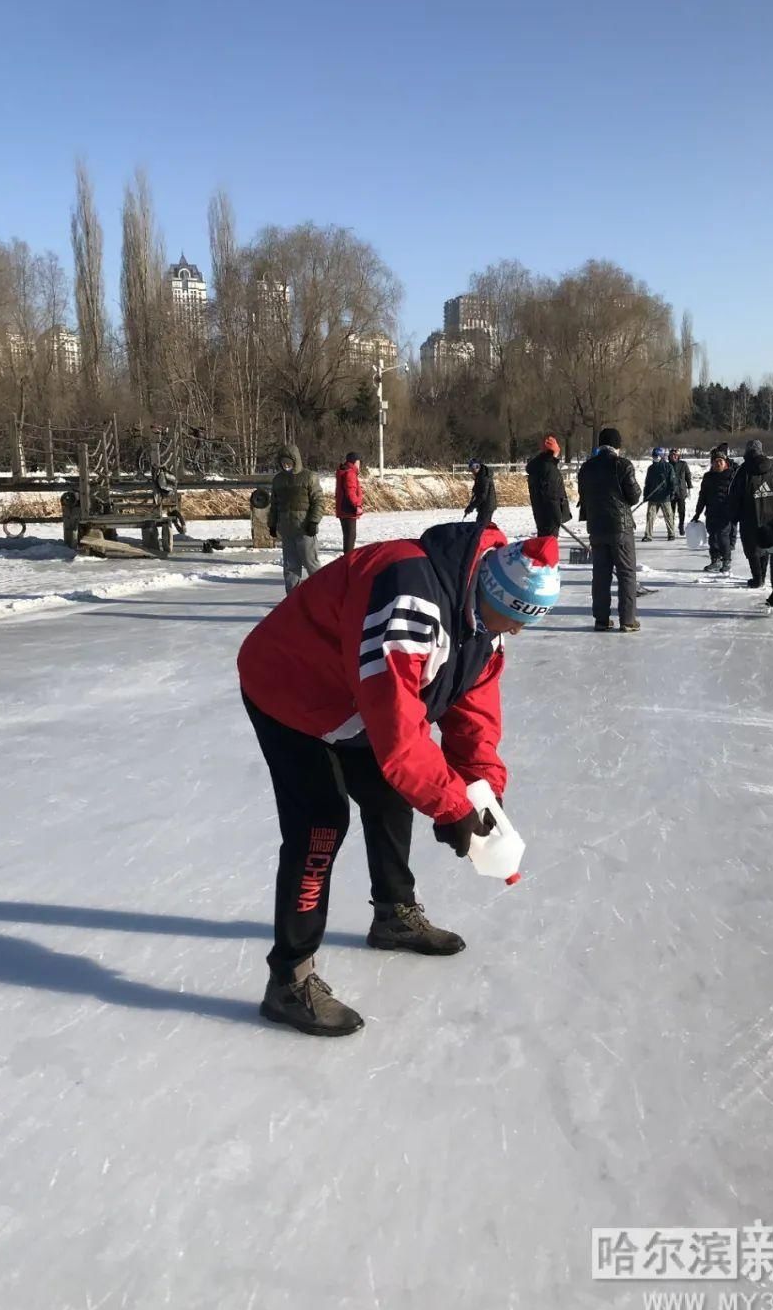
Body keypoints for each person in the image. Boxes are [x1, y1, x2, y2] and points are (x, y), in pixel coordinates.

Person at [238, 525, 561, 1036]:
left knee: (389, 795)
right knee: (321, 822)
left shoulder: (485, 619)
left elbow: (472, 715)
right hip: (292, 688)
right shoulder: (408, 601)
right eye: (515, 617)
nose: (517, 631)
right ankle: (289, 980)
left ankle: (393, 914)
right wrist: (451, 807)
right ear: (491, 592)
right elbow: (398, 731)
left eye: (527, 621)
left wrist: (481, 789)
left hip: (356, 693)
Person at [577, 426, 642, 632]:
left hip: (596, 527)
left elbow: (584, 497)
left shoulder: (586, 468)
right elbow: (633, 495)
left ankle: (602, 619)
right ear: (617, 446)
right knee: (626, 573)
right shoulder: (622, 465)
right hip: (620, 528)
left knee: (601, 574)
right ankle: (628, 619)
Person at [727, 439, 773, 588]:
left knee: (752, 547)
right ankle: (766, 576)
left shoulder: (742, 471)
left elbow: (733, 494)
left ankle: (757, 578)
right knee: (769, 545)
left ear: (747, 451)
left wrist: (733, 515)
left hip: (750, 516)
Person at [269, 443, 324, 592]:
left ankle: (323, 595)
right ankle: (292, 599)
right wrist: (272, 524)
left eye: (289, 462)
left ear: (295, 461)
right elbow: (274, 504)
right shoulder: (278, 480)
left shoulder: (309, 477)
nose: (286, 465)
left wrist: (313, 521)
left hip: (304, 529)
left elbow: (318, 501)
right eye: (283, 463)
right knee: (290, 567)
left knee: (311, 563)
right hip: (287, 530)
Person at [692, 448, 735, 574]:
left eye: (721, 461)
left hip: (726, 513)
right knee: (712, 538)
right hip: (711, 512)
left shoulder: (732, 475)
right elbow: (702, 496)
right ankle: (715, 560)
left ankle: (726, 560)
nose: (718, 463)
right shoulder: (708, 477)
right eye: (716, 461)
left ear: (725, 462)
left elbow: (739, 495)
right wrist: (697, 512)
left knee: (722, 537)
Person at [526, 435, 572, 538]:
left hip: (541, 514)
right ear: (553, 451)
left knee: (544, 544)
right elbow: (551, 497)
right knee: (549, 546)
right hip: (550, 518)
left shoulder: (539, 467)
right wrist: (558, 518)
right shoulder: (549, 469)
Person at [642, 446, 678, 541]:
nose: (655, 458)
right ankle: (648, 535)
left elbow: (673, 481)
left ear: (661, 456)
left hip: (664, 496)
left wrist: (672, 492)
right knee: (650, 516)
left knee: (669, 516)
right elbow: (647, 483)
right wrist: (645, 495)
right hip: (653, 497)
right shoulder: (651, 468)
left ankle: (671, 534)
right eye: (654, 456)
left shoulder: (668, 467)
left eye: (657, 456)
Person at [335, 451, 364, 554]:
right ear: (355, 462)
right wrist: (357, 505)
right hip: (348, 509)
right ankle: (348, 562)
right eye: (358, 462)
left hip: (344, 508)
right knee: (350, 537)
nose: (359, 465)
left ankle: (347, 560)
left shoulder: (345, 470)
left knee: (348, 536)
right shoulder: (350, 473)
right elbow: (350, 491)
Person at [668, 448, 694, 537]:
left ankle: (681, 525)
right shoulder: (667, 465)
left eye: (676, 455)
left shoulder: (683, 464)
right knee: (671, 511)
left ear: (678, 456)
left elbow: (688, 476)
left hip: (681, 491)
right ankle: (671, 528)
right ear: (670, 456)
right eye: (672, 455)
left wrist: (690, 487)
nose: (674, 457)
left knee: (681, 510)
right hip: (671, 492)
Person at [464, 459, 497, 527]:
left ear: (477, 467)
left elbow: (482, 496)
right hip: (483, 506)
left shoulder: (483, 477)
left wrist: (471, 506)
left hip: (487, 506)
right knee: (480, 525)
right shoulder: (480, 475)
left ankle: (487, 537)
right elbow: (477, 492)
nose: (472, 471)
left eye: (473, 469)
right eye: (471, 469)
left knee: (481, 527)